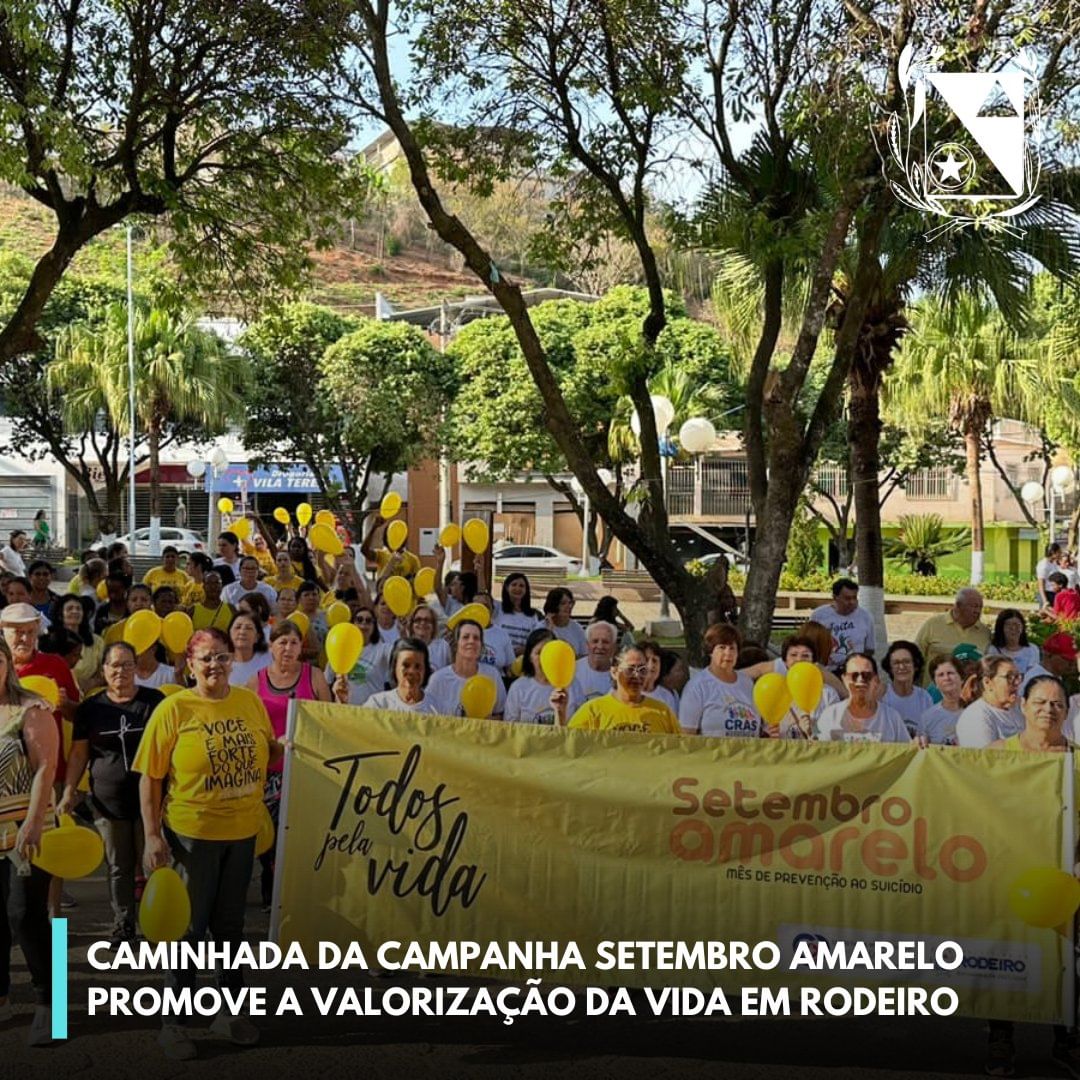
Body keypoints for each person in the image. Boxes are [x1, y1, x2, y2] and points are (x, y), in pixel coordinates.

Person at [135, 627, 283, 1060]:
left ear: (232, 661)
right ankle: (174, 1024)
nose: (215, 665)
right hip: (190, 837)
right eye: (206, 659)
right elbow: (150, 777)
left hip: (242, 835)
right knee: (189, 931)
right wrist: (151, 835)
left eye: (221, 657)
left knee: (231, 931)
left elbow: (267, 752)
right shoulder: (174, 708)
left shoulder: (249, 701)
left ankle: (231, 1012)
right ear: (190, 664)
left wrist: (285, 749)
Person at [982, 675, 1078, 1078]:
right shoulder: (996, 754)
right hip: (1009, 875)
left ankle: (1066, 1041)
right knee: (1004, 956)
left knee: (1066, 964)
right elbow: (954, 788)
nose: (1048, 709)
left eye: (1057, 703)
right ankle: (1000, 1041)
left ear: (1067, 711)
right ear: (1022, 705)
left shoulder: (1076, 759)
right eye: (1040, 702)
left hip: (1064, 880)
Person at [59, 642, 163, 946]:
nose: (121, 671)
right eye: (115, 665)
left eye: (128, 664)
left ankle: (158, 923)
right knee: (119, 867)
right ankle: (123, 924)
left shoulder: (153, 702)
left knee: (154, 864)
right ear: (103, 670)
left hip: (150, 803)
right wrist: (68, 791)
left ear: (136, 668)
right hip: (108, 804)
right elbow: (79, 755)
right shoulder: (91, 708)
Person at [248, 620, 332, 909]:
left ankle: (296, 894)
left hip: (305, 771)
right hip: (269, 772)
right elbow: (249, 728)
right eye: (282, 642)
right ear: (271, 646)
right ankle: (271, 893)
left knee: (299, 836)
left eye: (294, 642)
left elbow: (330, 721)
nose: (287, 648)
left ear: (301, 648)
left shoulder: (316, 676)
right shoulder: (255, 681)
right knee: (269, 836)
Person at [0, 636, 58, 1045]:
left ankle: (50, 1003)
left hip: (24, 831)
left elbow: (45, 768)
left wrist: (34, 821)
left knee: (26, 915)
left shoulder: (31, 709)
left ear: (7, 663)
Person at [562, 643, 679, 733]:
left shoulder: (663, 712)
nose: (637, 676)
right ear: (614, 672)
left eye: (642, 670)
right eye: (630, 670)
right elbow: (570, 745)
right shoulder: (593, 711)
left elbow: (680, 752)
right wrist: (559, 712)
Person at [679, 623, 762, 738]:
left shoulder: (747, 683)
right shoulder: (697, 686)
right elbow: (687, 735)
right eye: (722, 647)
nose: (728, 653)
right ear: (711, 651)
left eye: (732, 648)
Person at [815, 653, 913, 743]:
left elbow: (908, 754)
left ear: (876, 681)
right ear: (844, 679)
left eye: (867, 676)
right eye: (854, 675)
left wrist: (919, 743)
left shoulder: (892, 718)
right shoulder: (830, 715)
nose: (860, 680)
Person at [424, 620, 506, 719]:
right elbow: (426, 717)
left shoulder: (492, 675)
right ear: (456, 644)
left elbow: (501, 714)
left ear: (481, 645)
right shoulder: (438, 679)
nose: (471, 641)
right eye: (465, 637)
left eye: (476, 638)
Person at [504, 627, 583, 725]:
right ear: (529, 657)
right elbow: (509, 727)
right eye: (539, 653)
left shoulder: (573, 685)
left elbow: (582, 723)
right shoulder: (518, 688)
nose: (544, 657)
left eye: (548, 652)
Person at [913, 588, 991, 685]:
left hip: (969, 696)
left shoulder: (985, 633)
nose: (978, 611)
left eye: (980, 607)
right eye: (974, 606)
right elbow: (915, 658)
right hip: (934, 694)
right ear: (958, 606)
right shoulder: (933, 625)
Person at [776, 635, 841, 739]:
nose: (799, 659)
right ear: (785, 662)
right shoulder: (776, 692)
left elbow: (836, 730)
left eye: (805, 656)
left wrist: (813, 728)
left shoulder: (828, 693)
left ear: (813, 661)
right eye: (793, 655)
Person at [325, 607, 390, 705]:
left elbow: (401, 655)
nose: (363, 624)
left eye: (368, 621)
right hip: (345, 710)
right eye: (359, 620)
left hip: (374, 711)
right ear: (353, 623)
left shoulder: (383, 649)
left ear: (374, 626)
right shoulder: (340, 648)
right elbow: (326, 680)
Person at [954, 656, 1023, 748]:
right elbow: (985, 758)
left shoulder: (1019, 708)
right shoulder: (975, 717)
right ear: (987, 682)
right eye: (1009, 677)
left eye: (1018, 676)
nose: (1017, 682)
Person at [808, 578, 875, 669]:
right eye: (847, 598)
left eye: (854, 598)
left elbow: (869, 649)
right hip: (827, 671)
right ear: (835, 597)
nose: (852, 602)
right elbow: (809, 645)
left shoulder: (865, 617)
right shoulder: (819, 616)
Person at [366, 638, 438, 714]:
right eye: (406, 665)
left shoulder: (438, 708)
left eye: (417, 666)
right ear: (394, 667)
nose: (411, 671)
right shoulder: (377, 704)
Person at [880, 641, 934, 737]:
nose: (901, 667)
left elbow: (930, 732)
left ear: (916, 666)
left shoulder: (924, 697)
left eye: (907, 662)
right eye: (896, 663)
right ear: (890, 668)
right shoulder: (882, 694)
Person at [52, 594, 105, 693]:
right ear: (60, 615)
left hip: (89, 693)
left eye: (78, 609)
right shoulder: (50, 640)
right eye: (69, 608)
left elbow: (103, 673)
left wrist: (91, 684)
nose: (75, 611)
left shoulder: (97, 641)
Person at [917, 655, 964, 745]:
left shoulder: (976, 711)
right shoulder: (927, 718)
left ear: (961, 678)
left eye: (950, 673)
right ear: (936, 684)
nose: (946, 678)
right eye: (940, 675)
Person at [362, 512, 421, 581]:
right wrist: (373, 528)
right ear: (386, 537)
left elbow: (417, 581)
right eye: (392, 535)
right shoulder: (381, 554)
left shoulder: (413, 559)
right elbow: (364, 550)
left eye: (399, 535)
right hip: (384, 590)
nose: (396, 538)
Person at [495, 573, 544, 656]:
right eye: (514, 585)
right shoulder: (497, 608)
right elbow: (482, 597)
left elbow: (539, 640)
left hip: (521, 662)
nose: (517, 588)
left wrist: (526, 649)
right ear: (507, 587)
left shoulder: (535, 615)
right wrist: (480, 571)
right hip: (499, 657)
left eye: (521, 586)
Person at [472, 591, 515, 676]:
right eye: (477, 606)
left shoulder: (502, 634)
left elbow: (510, 667)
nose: (482, 610)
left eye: (486, 606)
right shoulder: (463, 633)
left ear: (493, 609)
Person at [575, 621, 618, 701]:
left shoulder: (621, 674)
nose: (600, 646)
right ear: (587, 645)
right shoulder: (573, 670)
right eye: (595, 641)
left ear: (614, 647)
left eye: (605, 642)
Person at [986, 609, 1039, 674]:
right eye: (1008, 625)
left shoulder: (1032, 649)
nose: (1013, 628)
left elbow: (1033, 674)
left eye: (1017, 625)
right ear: (1001, 628)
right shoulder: (993, 650)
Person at [227, 612, 271, 686]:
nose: (242, 632)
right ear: (229, 633)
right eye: (238, 627)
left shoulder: (269, 660)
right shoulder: (221, 663)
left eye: (249, 628)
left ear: (257, 637)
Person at [544, 587, 586, 657]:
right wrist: (550, 629)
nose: (568, 606)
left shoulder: (577, 628)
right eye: (563, 603)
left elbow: (584, 654)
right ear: (554, 605)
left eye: (570, 603)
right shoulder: (541, 627)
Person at [640, 639, 679, 714]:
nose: (651, 665)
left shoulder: (666, 696)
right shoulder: (624, 691)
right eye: (646, 660)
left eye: (655, 660)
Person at [408, 604, 450, 670]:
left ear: (433, 625)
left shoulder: (443, 646)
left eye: (427, 620)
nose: (422, 623)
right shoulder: (405, 647)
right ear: (411, 625)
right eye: (418, 620)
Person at [1036, 542, 1062, 607]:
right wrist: (1045, 600)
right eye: (1059, 552)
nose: (1060, 554)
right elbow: (1041, 584)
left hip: (1054, 594)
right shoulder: (1043, 565)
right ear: (1053, 553)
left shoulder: (1053, 563)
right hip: (1047, 594)